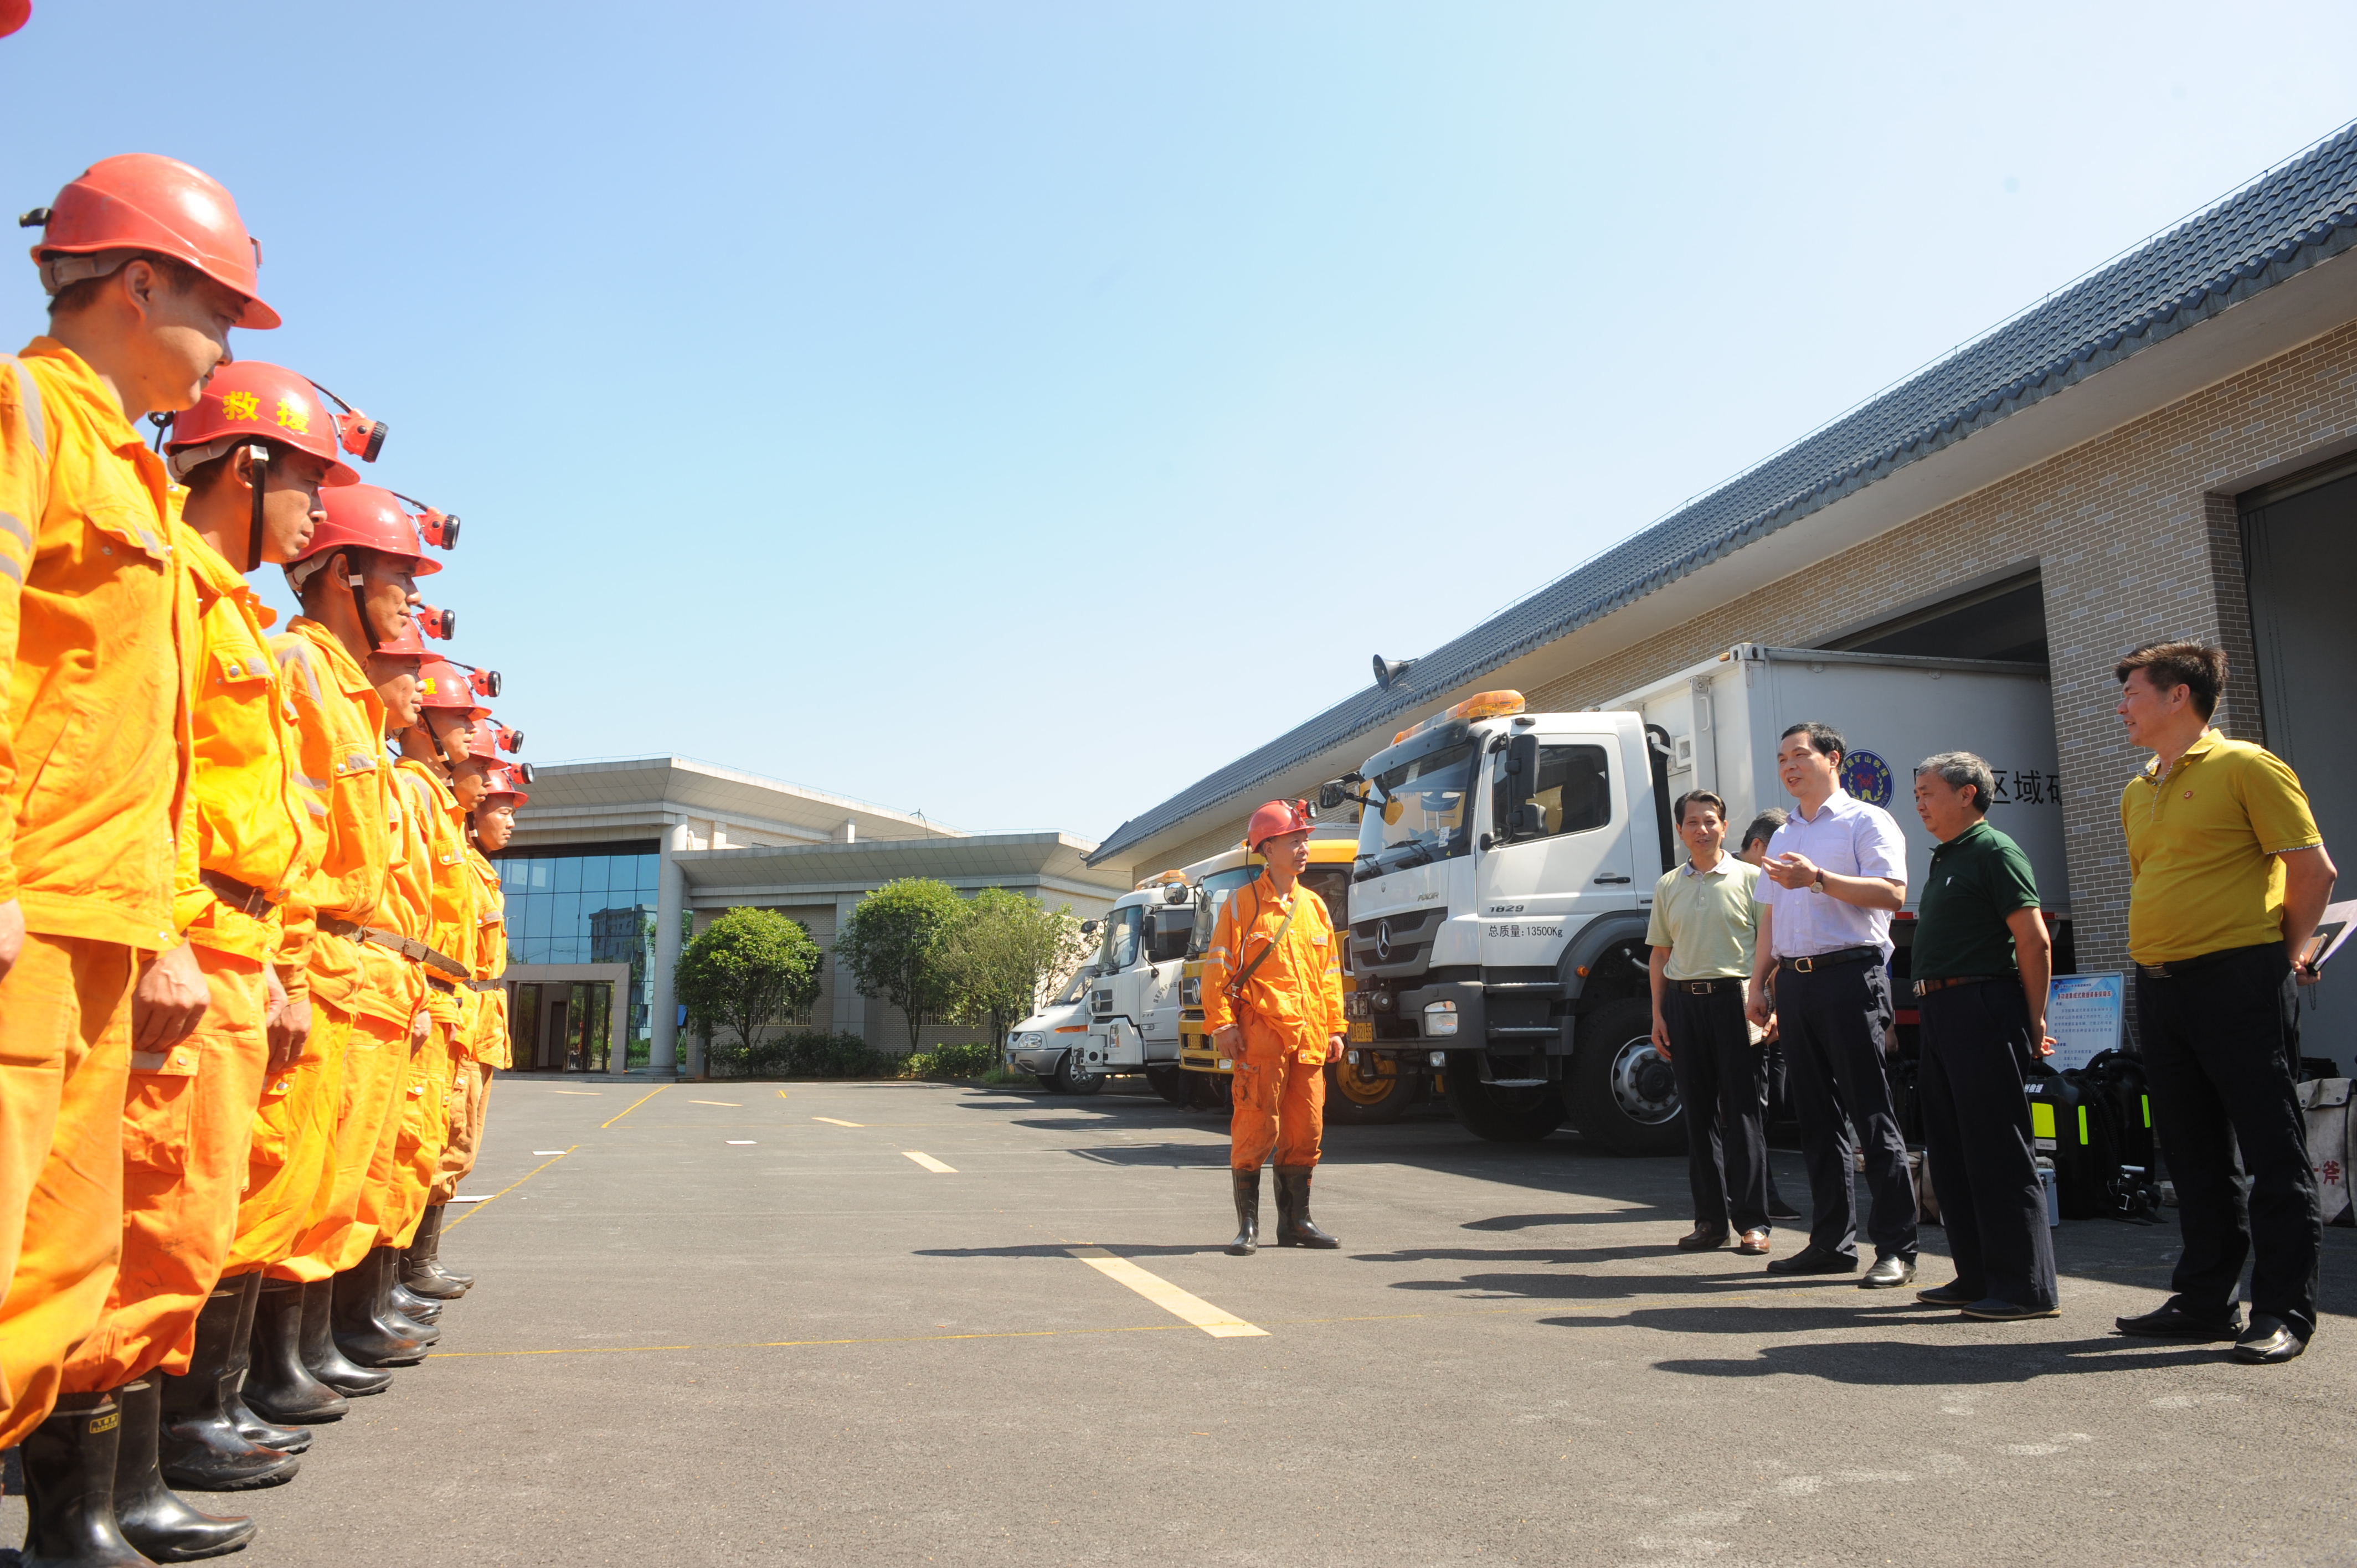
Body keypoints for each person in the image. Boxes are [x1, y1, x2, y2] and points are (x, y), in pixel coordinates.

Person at [2, 157, 278, 1554]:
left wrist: (157, 911)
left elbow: (149, 753)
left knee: (55, 1277)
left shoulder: (128, 477)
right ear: (142, 279)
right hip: (29, 916)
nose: (224, 347)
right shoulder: (26, 413)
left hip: (104, 922)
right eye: (219, 310)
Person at [42, 363, 359, 1557]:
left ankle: (122, 1493)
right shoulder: (169, 572)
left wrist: (265, 956)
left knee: (184, 1223)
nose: (315, 519)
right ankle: (83, 1510)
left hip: (233, 943)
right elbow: (149, 784)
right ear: (251, 467)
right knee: (121, 1229)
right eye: (310, 486)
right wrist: (174, 921)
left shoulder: (234, 609)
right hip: (172, 933)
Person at [2112, 640, 2337, 1364]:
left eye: (2133, 694)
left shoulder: (2247, 766)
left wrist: (2289, 955)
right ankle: (2205, 1300)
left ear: (2180, 696)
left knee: (2270, 1146)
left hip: (2238, 978)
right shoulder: (2138, 788)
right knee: (2193, 1149)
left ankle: (2283, 1312)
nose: (2122, 708)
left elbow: (2311, 870)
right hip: (2163, 984)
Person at [1746, 722, 1917, 1285]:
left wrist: (1817, 878)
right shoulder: (1780, 834)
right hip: (1794, 983)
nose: (1788, 766)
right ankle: (1830, 1243)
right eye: (1781, 759)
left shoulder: (1865, 820)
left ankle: (1894, 1248)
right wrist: (1758, 982)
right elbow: (1771, 914)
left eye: (1799, 755)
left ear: (1832, 759)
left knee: (1870, 1112)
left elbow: (1891, 894)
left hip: (1850, 975)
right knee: (1816, 1120)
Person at [1906, 751, 2061, 1322]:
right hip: (1942, 1009)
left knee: (1997, 1149)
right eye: (1916, 792)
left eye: (1927, 791)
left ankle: (2025, 1287)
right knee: (1950, 1151)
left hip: (1982, 1004)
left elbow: (2033, 939)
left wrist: (2033, 1016)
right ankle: (1975, 1275)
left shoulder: (1994, 850)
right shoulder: (1946, 857)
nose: (1918, 801)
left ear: (1965, 794)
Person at [1201, 799, 1346, 1255]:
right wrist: (1222, 1025)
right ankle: (1248, 1228)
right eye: (1294, 840)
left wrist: (1336, 1028)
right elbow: (1218, 969)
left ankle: (1297, 1223)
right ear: (1267, 847)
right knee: (1255, 1126)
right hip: (1261, 1035)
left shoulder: (1316, 908)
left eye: (1305, 839)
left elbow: (1328, 975)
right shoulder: (1243, 904)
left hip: (1309, 1037)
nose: (1304, 847)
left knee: (1307, 1130)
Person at [408, 736, 524, 1301]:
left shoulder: (477, 868)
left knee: (459, 1145)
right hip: (454, 1006)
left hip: (480, 1014)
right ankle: (407, 1270)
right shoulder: (454, 857)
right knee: (435, 1140)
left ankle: (418, 1263)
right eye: (502, 808)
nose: (509, 820)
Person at [1647, 791, 1771, 1254]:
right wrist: (1658, 1014)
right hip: (1683, 1005)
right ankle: (1710, 1222)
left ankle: (1754, 1224)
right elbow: (1660, 954)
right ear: (1680, 831)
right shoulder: (1668, 886)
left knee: (1742, 1114)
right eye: (1693, 822)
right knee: (1697, 1117)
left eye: (1711, 821)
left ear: (1724, 827)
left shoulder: (1753, 878)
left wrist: (1768, 1002)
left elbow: (1768, 949)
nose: (1702, 829)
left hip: (1736, 1003)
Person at [1738, 810, 1802, 1225]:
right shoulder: (1737, 880)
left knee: (1771, 1101)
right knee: (1752, 1106)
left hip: (1772, 1006)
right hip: (1747, 1008)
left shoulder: (1768, 881)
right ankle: (1757, 1196)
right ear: (1761, 847)